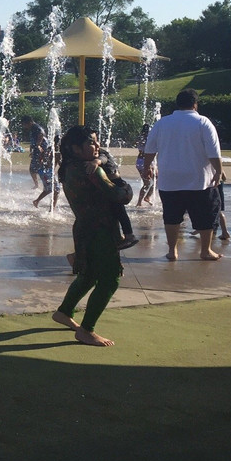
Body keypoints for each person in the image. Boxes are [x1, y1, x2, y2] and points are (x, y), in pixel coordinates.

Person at [51, 125, 133, 347]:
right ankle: (86, 330)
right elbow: (120, 196)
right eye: (91, 143)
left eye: (97, 141)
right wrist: (122, 182)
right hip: (101, 231)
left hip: (84, 228)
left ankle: (65, 311)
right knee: (109, 279)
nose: (97, 146)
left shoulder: (68, 166)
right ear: (76, 149)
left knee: (89, 275)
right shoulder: (91, 171)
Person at [142, 89, 223, 261]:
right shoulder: (203, 122)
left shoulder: (162, 123)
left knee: (171, 216)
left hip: (169, 180)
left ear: (177, 104)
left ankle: (172, 251)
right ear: (195, 104)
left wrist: (147, 167)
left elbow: (149, 149)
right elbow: (213, 152)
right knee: (205, 215)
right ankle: (205, 250)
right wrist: (219, 171)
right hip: (199, 180)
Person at [98, 147, 137, 249]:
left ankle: (129, 235)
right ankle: (121, 235)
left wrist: (95, 161)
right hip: (116, 187)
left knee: (119, 212)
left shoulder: (100, 153)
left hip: (118, 188)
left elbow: (103, 159)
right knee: (115, 213)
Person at [21, 115, 47, 189]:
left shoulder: (36, 127)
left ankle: (42, 185)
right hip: (37, 150)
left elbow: (41, 134)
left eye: (24, 124)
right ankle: (39, 185)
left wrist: (38, 145)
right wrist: (32, 150)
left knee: (37, 168)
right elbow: (33, 140)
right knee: (35, 169)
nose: (24, 126)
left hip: (41, 150)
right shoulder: (32, 128)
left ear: (29, 122)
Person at [134, 124, 156, 207]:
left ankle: (143, 199)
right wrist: (149, 166)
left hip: (139, 161)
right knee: (155, 181)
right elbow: (148, 152)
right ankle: (142, 200)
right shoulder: (149, 139)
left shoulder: (140, 138)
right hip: (147, 161)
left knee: (147, 182)